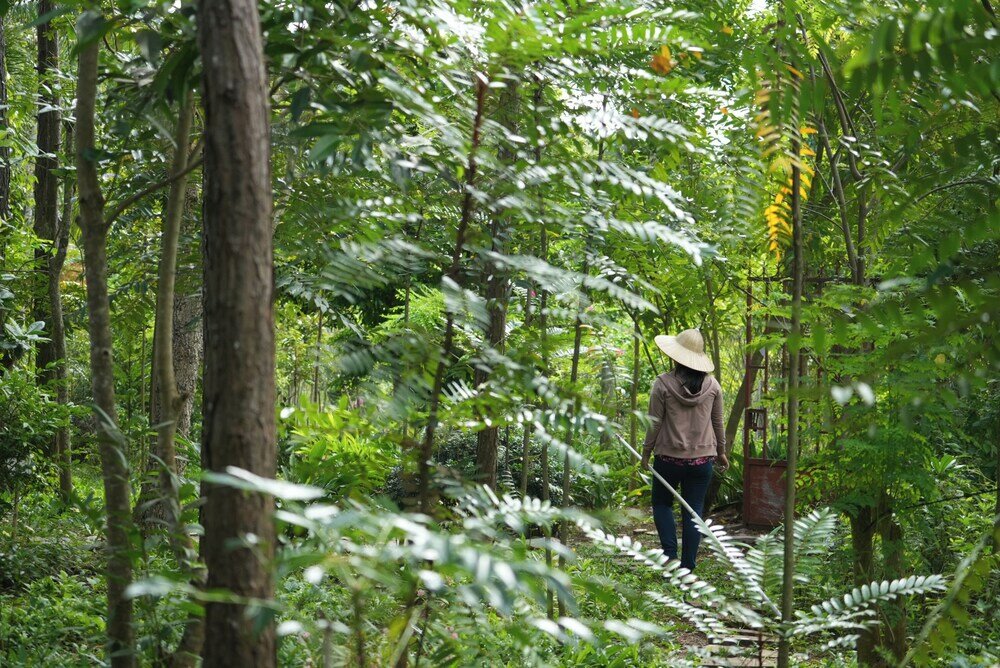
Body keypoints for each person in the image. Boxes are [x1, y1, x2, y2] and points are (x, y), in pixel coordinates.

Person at [640, 328, 728, 571]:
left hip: (669, 459)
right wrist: (721, 451)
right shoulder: (713, 385)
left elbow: (654, 423)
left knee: (661, 504)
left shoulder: (662, 384)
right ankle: (688, 566)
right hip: (702, 461)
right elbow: (717, 422)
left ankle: (670, 557)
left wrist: (646, 453)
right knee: (693, 510)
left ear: (676, 356)